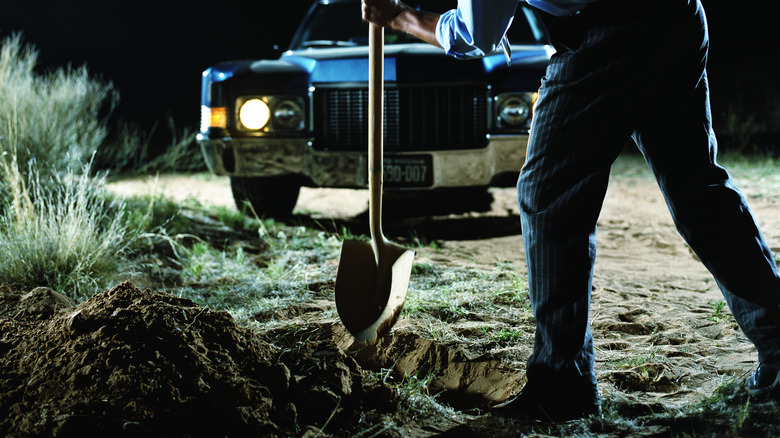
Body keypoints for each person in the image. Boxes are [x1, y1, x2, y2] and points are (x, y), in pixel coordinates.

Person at [362, 0, 780, 422]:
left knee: (548, 194)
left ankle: (562, 384)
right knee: (699, 191)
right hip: (676, 15)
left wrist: (398, 17)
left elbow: (477, 33)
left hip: (607, 33)